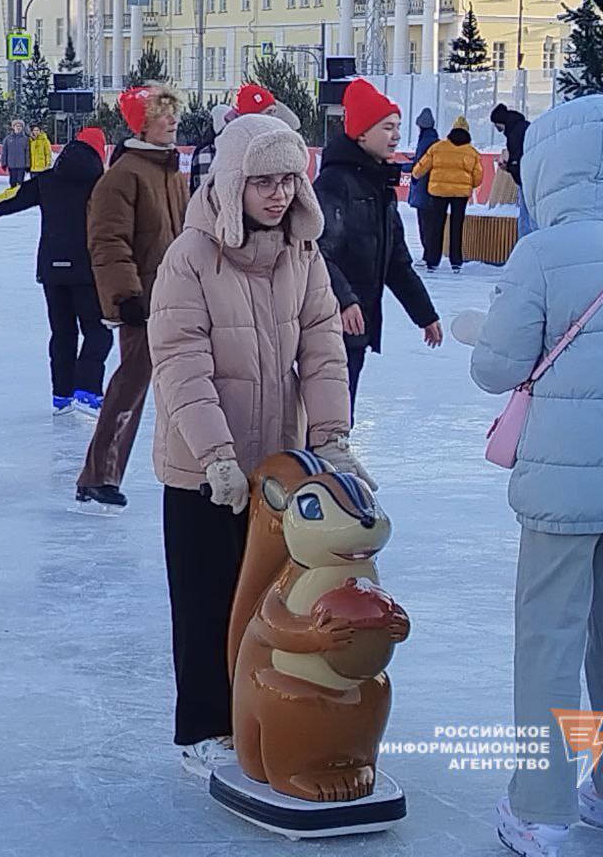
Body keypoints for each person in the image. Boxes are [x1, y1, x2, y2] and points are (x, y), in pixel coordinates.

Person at [470, 95, 603, 857]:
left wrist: (490, 328)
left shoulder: (540, 254)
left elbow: (496, 369)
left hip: (564, 482)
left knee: (549, 641)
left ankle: (540, 806)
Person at [149, 113, 373, 776]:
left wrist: (329, 440)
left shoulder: (302, 256)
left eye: (286, 181)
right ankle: (202, 730)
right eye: (262, 182)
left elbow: (324, 350)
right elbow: (180, 360)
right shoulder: (190, 257)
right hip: (202, 469)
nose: (277, 195)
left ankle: (263, 719)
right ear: (232, 184)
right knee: (205, 602)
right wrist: (216, 454)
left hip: (279, 472)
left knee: (271, 604)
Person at [75, 84, 187, 512]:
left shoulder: (173, 173)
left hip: (177, 297)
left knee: (183, 383)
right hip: (143, 301)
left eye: (173, 112)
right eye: (162, 113)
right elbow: (108, 241)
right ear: (142, 122)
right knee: (132, 382)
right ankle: (98, 474)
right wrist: (125, 297)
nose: (172, 120)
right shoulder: (123, 176)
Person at [314, 77, 442, 418]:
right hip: (325, 326)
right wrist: (344, 300)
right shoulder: (335, 184)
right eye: (387, 127)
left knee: (341, 417)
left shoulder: (377, 186)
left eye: (398, 127)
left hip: (358, 326)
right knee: (326, 420)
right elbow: (315, 251)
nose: (396, 135)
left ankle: (326, 469)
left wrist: (424, 314)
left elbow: (396, 261)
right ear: (361, 133)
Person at [0, 128, 113, 416]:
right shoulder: (103, 185)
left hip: (52, 270)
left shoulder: (47, 181)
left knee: (62, 333)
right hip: (87, 271)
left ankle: (61, 395)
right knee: (98, 330)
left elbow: (12, 198)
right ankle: (88, 388)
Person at [189, 84, 302, 194]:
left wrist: (268, 99)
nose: (272, 119)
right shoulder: (218, 152)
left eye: (273, 113)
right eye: (267, 113)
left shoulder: (271, 152)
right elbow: (208, 200)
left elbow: (294, 124)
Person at [412, 114, 483, 273]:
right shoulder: (471, 152)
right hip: (460, 194)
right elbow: (478, 176)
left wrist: (415, 176)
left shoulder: (439, 147)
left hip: (438, 192)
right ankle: (456, 262)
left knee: (436, 226)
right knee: (456, 226)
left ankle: (432, 261)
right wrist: (469, 185)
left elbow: (422, 166)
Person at [490, 103, 532, 237]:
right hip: (530, 176)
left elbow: (517, 159)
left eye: (496, 125)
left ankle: (525, 245)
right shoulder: (521, 127)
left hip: (525, 178)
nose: (496, 128)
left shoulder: (514, 133)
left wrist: (507, 167)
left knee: (526, 217)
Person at [406, 107, 438, 263]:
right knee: (429, 224)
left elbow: (420, 165)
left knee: (425, 224)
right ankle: (429, 254)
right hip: (430, 188)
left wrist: (403, 167)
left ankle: (429, 255)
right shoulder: (432, 140)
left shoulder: (426, 141)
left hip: (424, 188)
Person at [0, 118, 31, 187]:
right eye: (16, 126)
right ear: (13, 127)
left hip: (21, 165)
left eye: (20, 126)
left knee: (20, 183)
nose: (18, 127)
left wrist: (27, 164)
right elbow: (4, 152)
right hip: (11, 165)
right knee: (12, 182)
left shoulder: (26, 139)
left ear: (22, 128)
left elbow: (27, 153)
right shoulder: (8, 139)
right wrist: (3, 163)